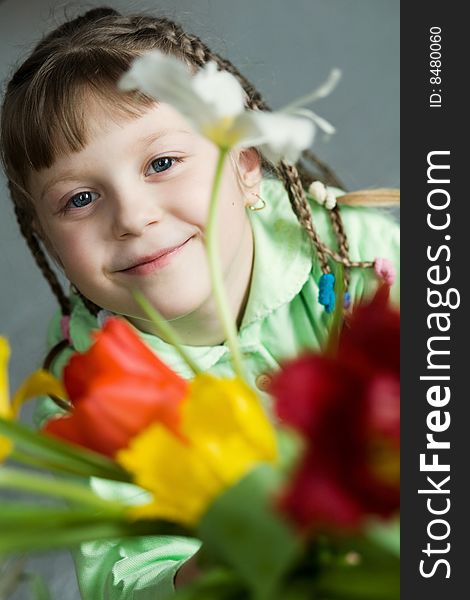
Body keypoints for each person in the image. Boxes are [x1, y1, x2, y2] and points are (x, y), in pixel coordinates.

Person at [0, 6, 399, 599]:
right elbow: (123, 580)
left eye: (162, 164)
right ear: (50, 242)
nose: (133, 217)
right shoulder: (85, 399)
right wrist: (221, 557)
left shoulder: (358, 251)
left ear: (244, 165)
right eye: (80, 199)